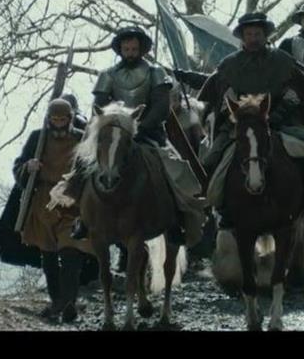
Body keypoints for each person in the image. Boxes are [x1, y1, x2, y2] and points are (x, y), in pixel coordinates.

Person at [195, 12, 304, 226]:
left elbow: (295, 93)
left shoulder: (283, 61)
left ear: (265, 36)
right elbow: (222, 95)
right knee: (209, 160)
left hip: (283, 123)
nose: (253, 38)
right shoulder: (229, 65)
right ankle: (209, 211)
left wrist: (277, 114)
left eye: (258, 34)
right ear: (242, 37)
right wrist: (238, 113)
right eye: (249, 34)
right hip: (241, 126)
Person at [55, 27, 204, 247]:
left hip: (147, 133)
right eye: (127, 49)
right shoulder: (108, 75)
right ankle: (82, 217)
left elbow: (161, 107)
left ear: (141, 50)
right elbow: (100, 104)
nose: (131, 53)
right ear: (121, 50)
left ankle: (176, 218)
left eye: (134, 49)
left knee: (173, 169)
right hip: (112, 132)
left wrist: (139, 126)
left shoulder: (155, 73)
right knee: (82, 164)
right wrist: (111, 127)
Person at [15, 98, 92, 323]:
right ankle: (56, 300)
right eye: (54, 119)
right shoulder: (37, 138)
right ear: (49, 119)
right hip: (43, 202)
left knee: (71, 253)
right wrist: (28, 167)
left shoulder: (81, 138)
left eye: (62, 119)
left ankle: (69, 303)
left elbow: (93, 169)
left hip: (71, 202)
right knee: (48, 255)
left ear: (70, 119)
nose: (58, 123)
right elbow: (19, 167)